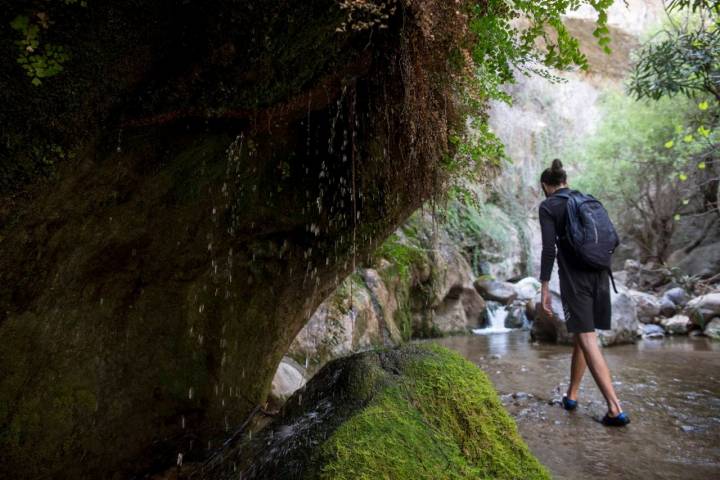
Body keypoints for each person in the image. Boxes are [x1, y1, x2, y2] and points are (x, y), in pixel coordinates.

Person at [538, 159, 630, 427]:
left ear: (546, 185)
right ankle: (572, 395)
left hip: (575, 279)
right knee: (584, 333)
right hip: (601, 273)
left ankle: (614, 408)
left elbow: (548, 250)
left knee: (587, 337)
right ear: (565, 181)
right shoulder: (588, 199)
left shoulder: (549, 205)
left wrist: (544, 287)